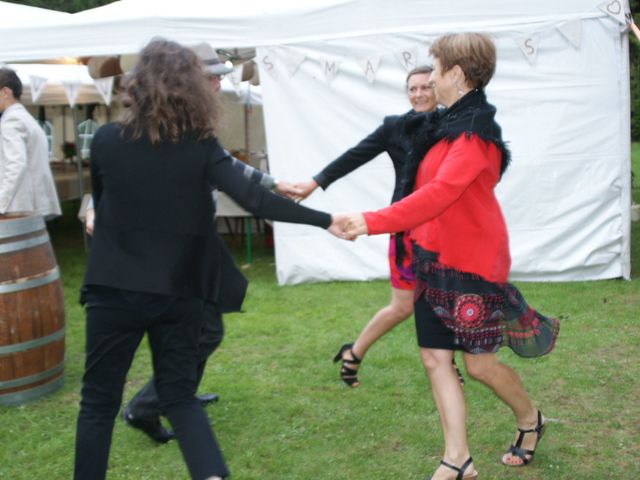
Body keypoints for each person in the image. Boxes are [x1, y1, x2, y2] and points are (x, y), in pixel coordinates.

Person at [74, 38, 343, 480]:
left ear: (139, 84)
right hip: (179, 292)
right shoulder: (200, 146)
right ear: (190, 88)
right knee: (179, 399)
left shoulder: (105, 140)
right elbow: (255, 199)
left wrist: (324, 218)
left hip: (114, 290)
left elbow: (102, 212)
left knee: (98, 404)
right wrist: (325, 218)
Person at [338, 33, 560, 479]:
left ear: (457, 75)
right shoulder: (446, 125)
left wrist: (372, 220)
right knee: (435, 358)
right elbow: (423, 188)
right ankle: (457, 458)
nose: (430, 79)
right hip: (432, 258)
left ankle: (530, 419)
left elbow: (440, 193)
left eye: (435, 71)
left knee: (478, 366)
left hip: (472, 266)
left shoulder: (476, 134)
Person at [292, 66, 441, 387]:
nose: (418, 94)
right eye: (412, 88)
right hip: (406, 229)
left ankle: (446, 367)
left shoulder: (452, 126)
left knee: (445, 298)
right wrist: (315, 183)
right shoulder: (394, 127)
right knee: (402, 307)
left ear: (438, 89)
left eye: (425, 87)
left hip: (444, 229)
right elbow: (355, 156)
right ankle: (354, 352)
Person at [0, 68, 61, 219]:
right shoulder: (25, 118)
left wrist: (1, 203)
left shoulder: (11, 121)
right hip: (29, 203)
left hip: (17, 205)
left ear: (5, 92)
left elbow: (16, 164)